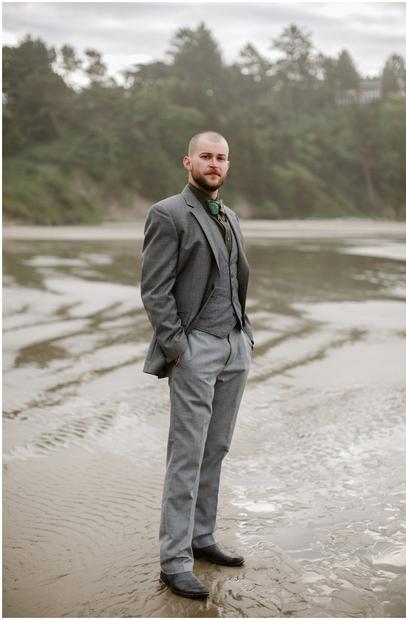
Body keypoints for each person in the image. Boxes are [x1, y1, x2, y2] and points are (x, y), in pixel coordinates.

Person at [141, 131, 254, 599]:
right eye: (206, 156)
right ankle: (174, 560)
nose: (214, 164)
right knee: (186, 455)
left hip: (234, 347)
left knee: (217, 448)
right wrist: (178, 347)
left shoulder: (229, 215)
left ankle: (203, 537)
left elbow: (234, 278)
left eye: (221, 158)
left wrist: (244, 335)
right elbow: (155, 289)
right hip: (195, 349)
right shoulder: (168, 214)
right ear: (188, 161)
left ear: (228, 165)